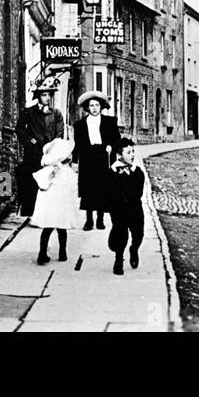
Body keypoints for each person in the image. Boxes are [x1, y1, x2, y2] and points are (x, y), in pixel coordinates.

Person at [73, 91, 120, 230]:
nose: (94, 108)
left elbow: (117, 140)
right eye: (91, 105)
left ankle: (100, 219)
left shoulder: (110, 122)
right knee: (88, 189)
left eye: (97, 105)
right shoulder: (80, 125)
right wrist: (75, 162)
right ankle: (89, 220)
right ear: (87, 107)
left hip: (103, 156)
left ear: (101, 107)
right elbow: (77, 145)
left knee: (102, 188)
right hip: (87, 157)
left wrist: (112, 146)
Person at [17, 82, 63, 216]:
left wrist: (53, 147)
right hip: (33, 154)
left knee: (49, 183)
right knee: (32, 182)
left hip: (50, 154)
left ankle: (46, 214)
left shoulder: (56, 114)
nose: (47, 98)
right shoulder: (29, 112)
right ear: (38, 96)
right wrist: (29, 140)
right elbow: (19, 130)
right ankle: (30, 213)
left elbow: (59, 133)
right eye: (44, 95)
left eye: (49, 95)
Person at [31, 133, 77, 264]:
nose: (70, 157)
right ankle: (60, 253)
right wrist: (52, 174)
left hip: (55, 205)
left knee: (49, 229)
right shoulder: (54, 169)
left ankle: (46, 253)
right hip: (57, 204)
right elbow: (43, 183)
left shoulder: (61, 169)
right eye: (68, 155)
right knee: (61, 229)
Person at [106, 138, 145, 275]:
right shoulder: (112, 172)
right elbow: (110, 193)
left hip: (135, 209)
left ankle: (134, 249)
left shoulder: (138, 172)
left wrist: (127, 178)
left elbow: (138, 193)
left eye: (133, 152)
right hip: (119, 210)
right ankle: (118, 260)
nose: (132, 155)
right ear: (119, 155)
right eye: (128, 152)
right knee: (120, 234)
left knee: (138, 234)